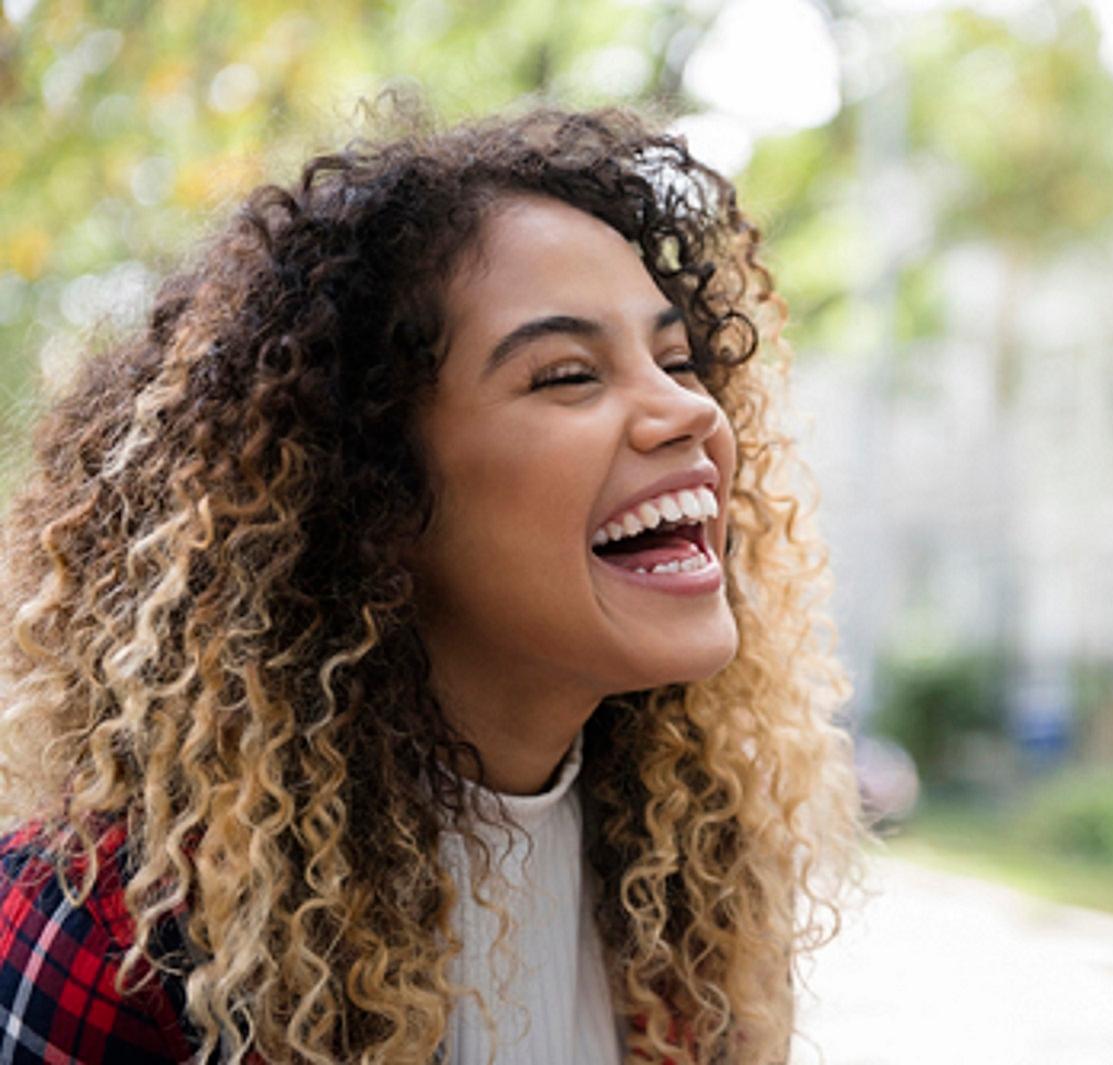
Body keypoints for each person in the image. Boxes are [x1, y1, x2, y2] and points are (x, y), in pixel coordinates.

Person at [0, 103, 861, 1064]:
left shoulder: (694, 894)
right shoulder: (122, 932)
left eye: (676, 359)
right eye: (568, 374)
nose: (688, 412)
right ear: (373, 494)